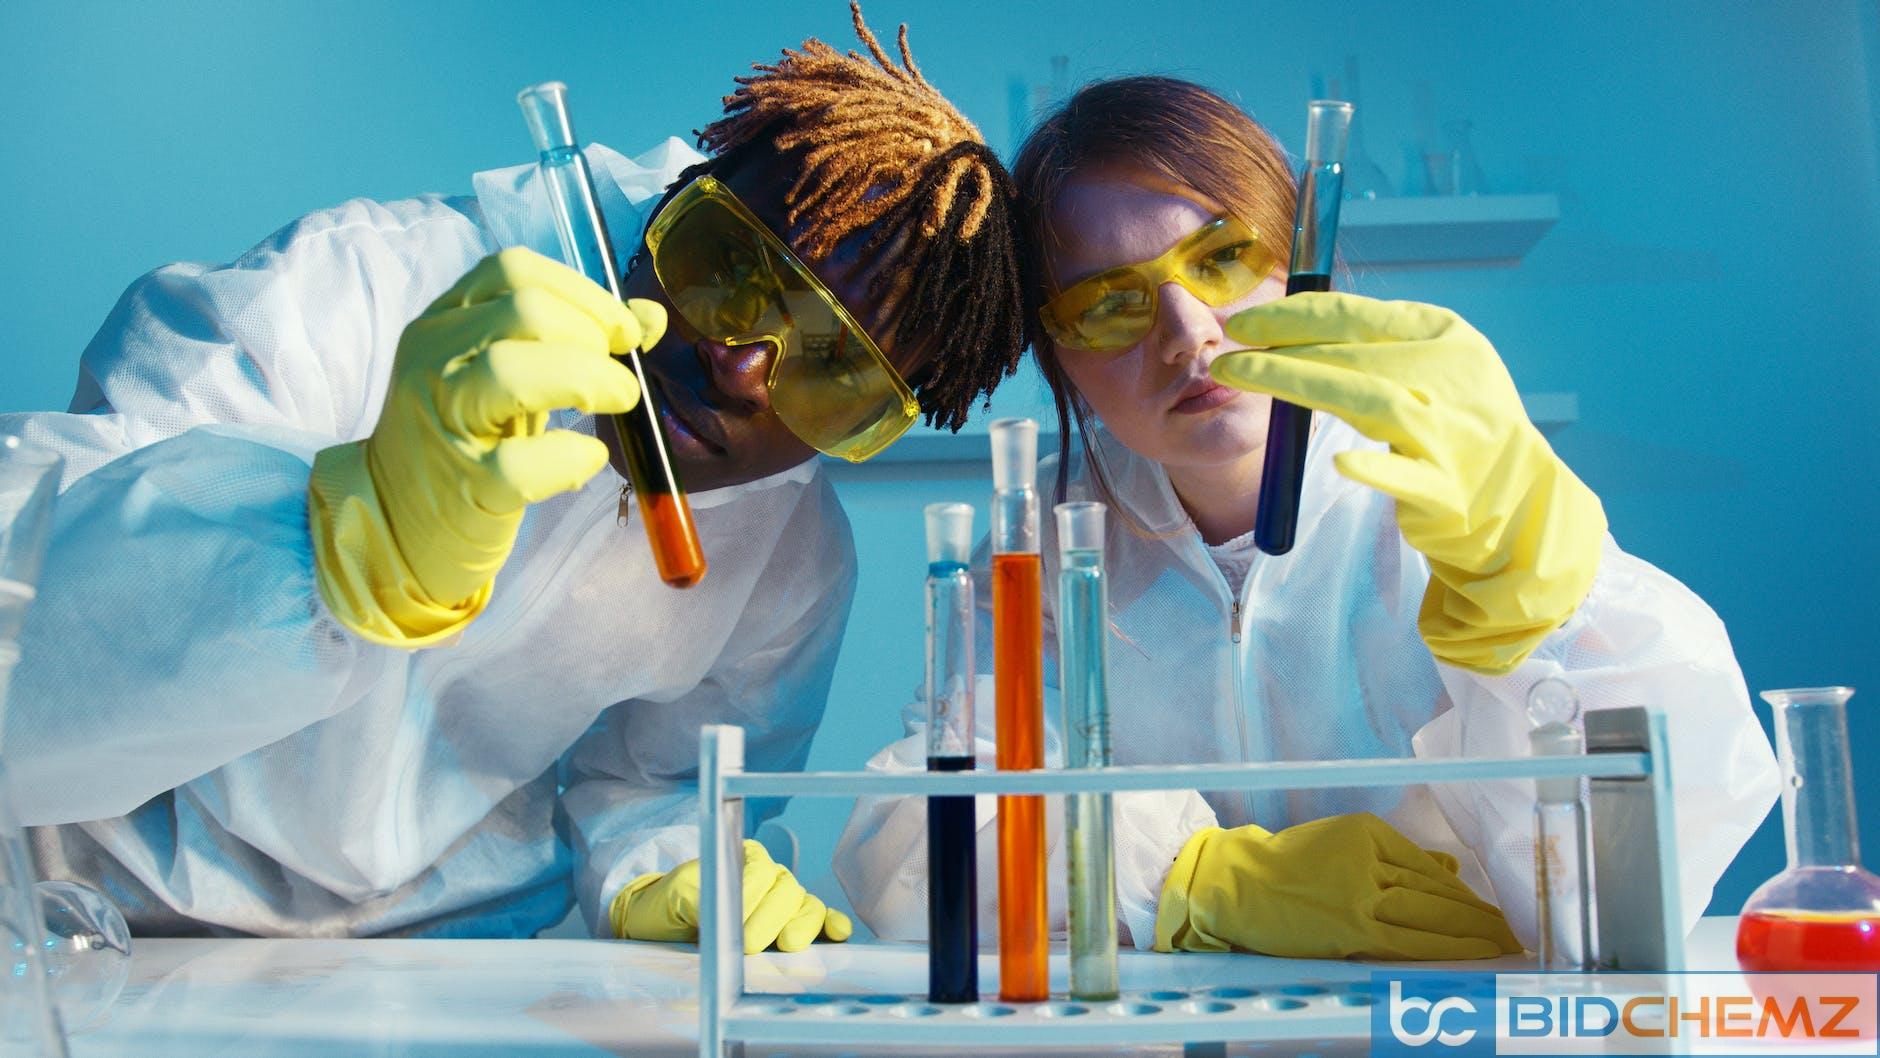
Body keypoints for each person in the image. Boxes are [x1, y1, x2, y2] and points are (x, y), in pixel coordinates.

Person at [0, 5, 1026, 949]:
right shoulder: (355, 288)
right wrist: (335, 539)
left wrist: (665, 862)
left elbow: (656, 784)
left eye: (835, 365)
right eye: (737, 264)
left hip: (438, 958)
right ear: (679, 194)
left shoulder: (793, 558)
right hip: (87, 904)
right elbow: (24, 612)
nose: (741, 362)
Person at [834, 76, 1779, 960]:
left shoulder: (1448, 491)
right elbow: (920, 839)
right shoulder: (1046, 537)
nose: (1187, 331)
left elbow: (1641, 888)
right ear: (1056, 355)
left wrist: (1542, 613)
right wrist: (1188, 879)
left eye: (1220, 258)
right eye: (1110, 303)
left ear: (1299, 263)